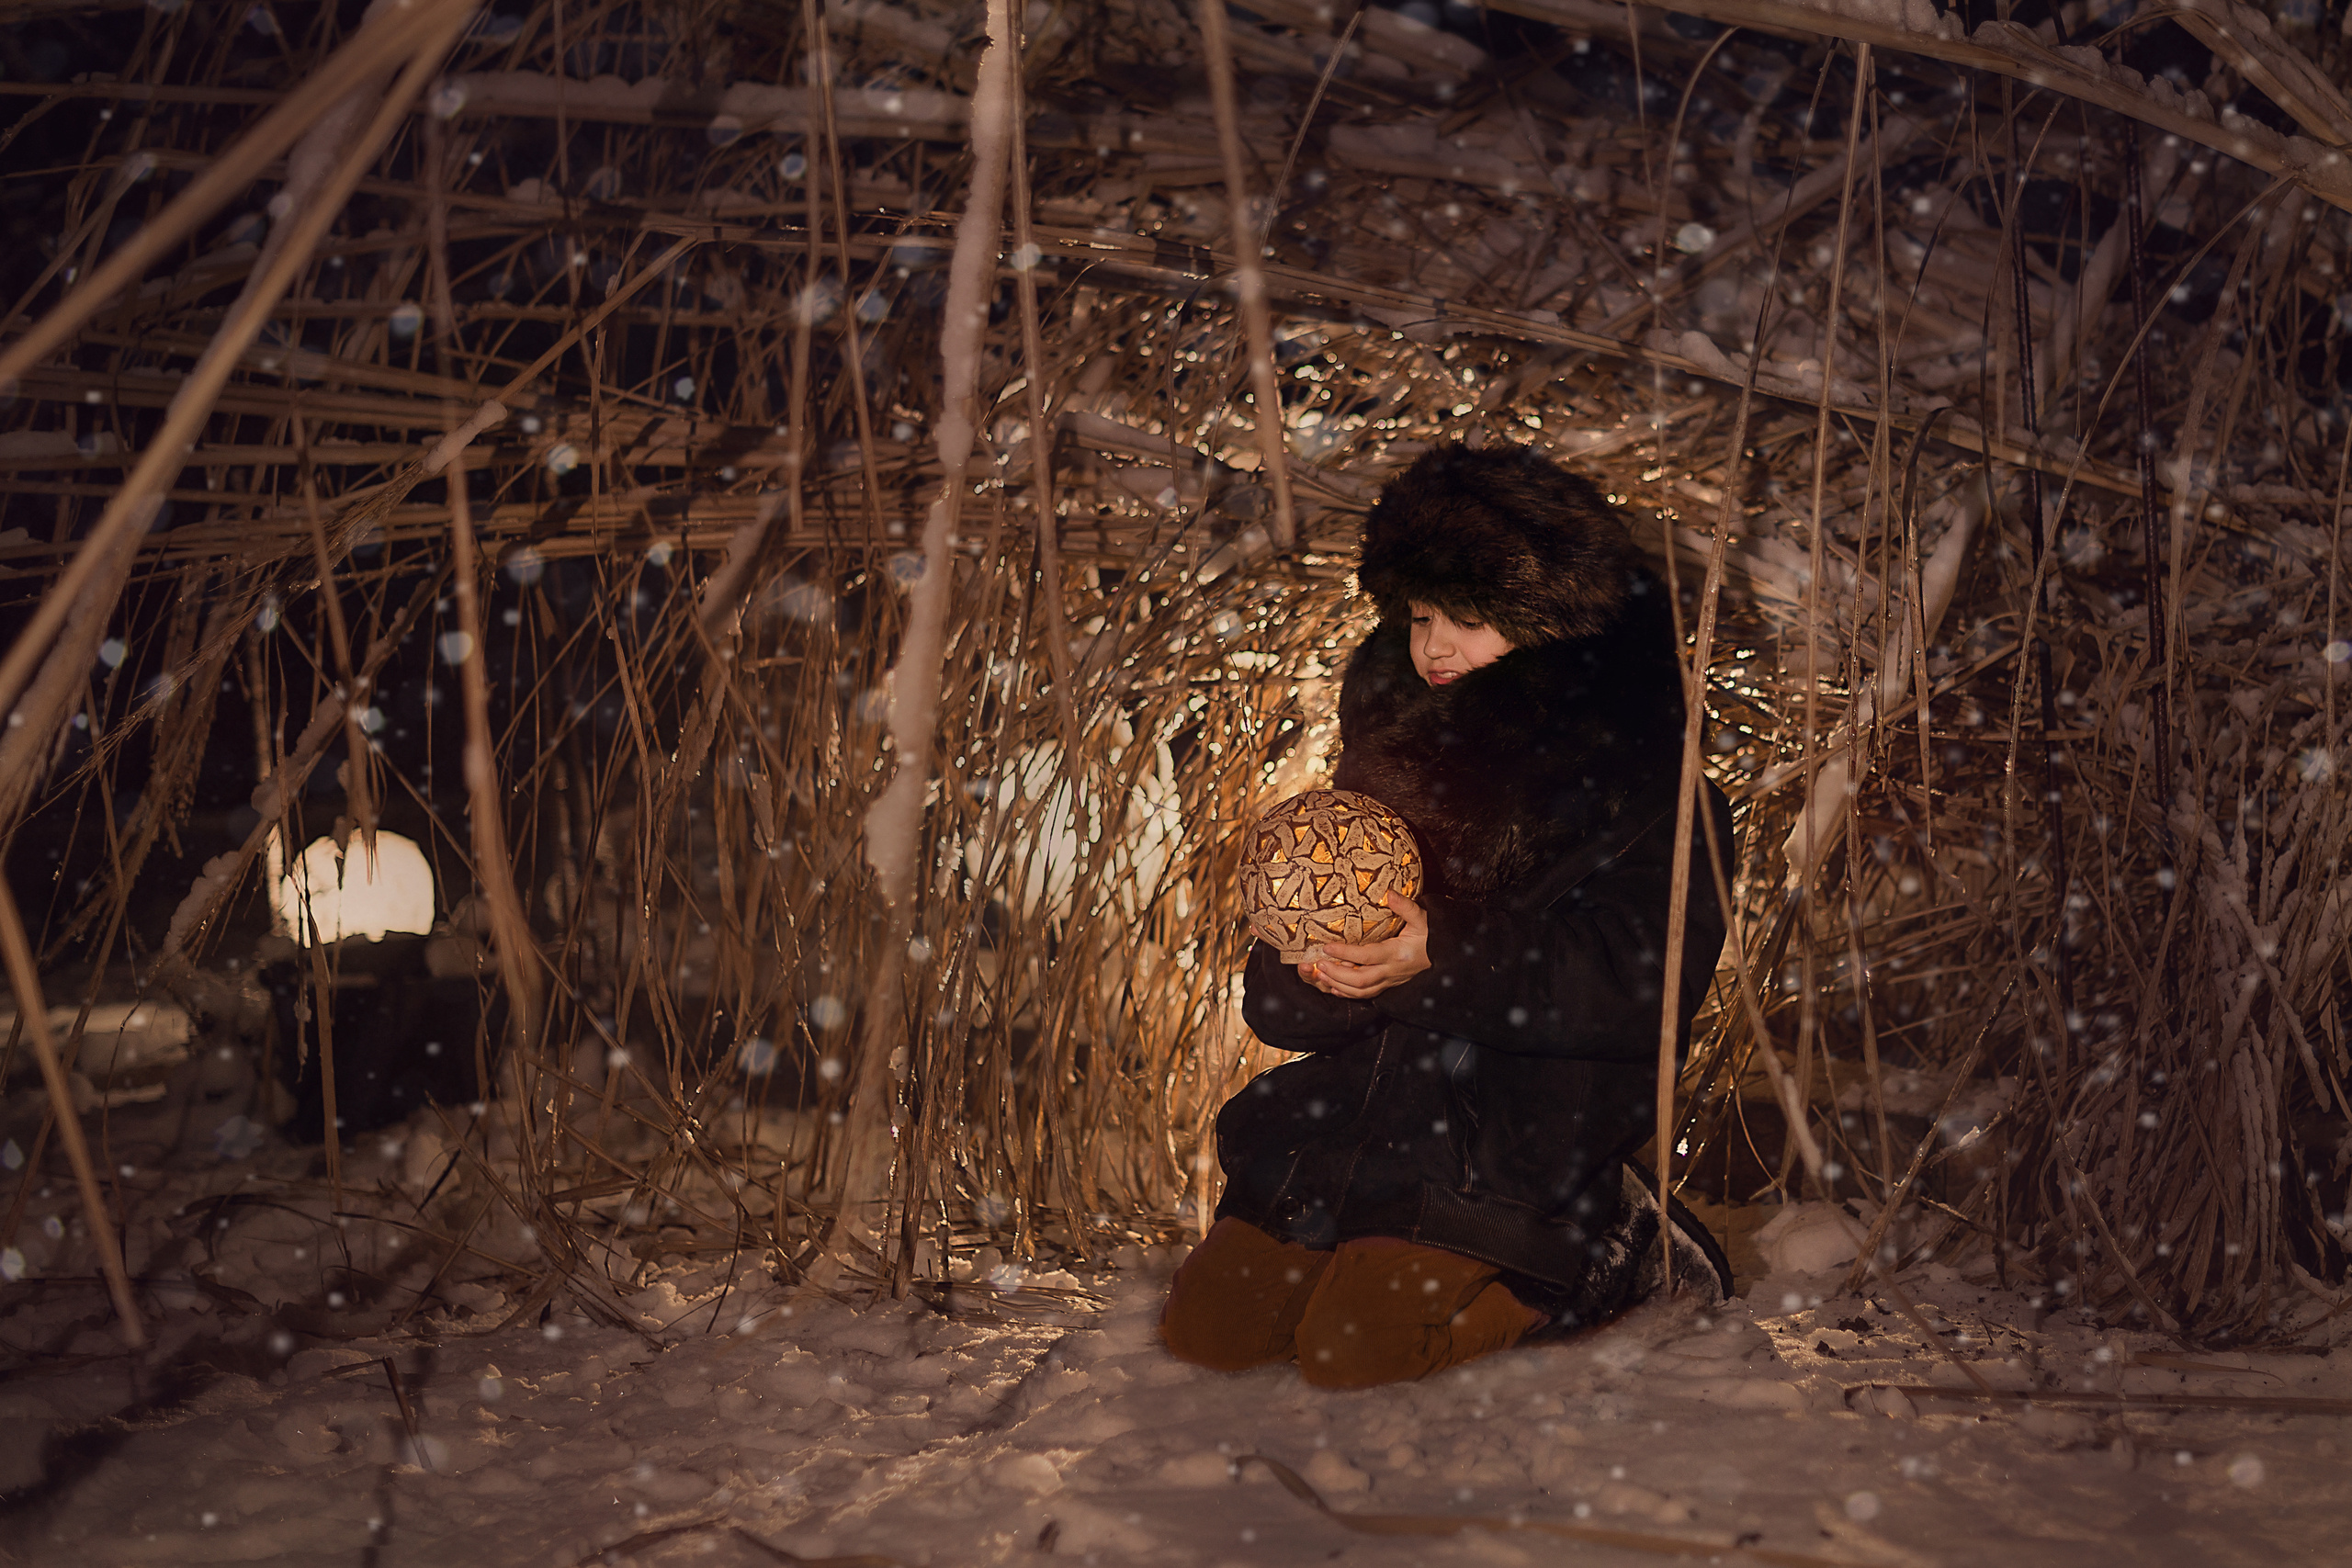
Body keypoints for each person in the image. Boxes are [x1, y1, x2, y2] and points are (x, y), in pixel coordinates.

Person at [1160, 442, 1736, 1389]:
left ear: (1553, 624)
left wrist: (1442, 956)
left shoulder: (1659, 795)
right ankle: (1388, 1241)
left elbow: (1644, 985)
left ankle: (1614, 1249)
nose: (1431, 647)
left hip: (1517, 1138)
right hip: (1353, 1125)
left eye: (1468, 619)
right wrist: (1318, 972)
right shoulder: (1389, 763)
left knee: (1356, 1351)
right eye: (1422, 615)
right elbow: (1277, 1007)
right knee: (1210, 1333)